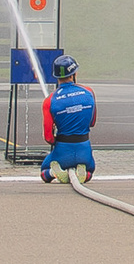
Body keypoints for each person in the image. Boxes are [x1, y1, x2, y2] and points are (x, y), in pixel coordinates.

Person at [38, 54, 97, 186]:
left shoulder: (49, 101)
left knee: (44, 171)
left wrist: (55, 136)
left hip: (62, 150)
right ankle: (83, 173)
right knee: (90, 170)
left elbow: (48, 138)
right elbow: (92, 122)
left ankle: (53, 173)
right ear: (74, 73)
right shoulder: (89, 92)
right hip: (84, 148)